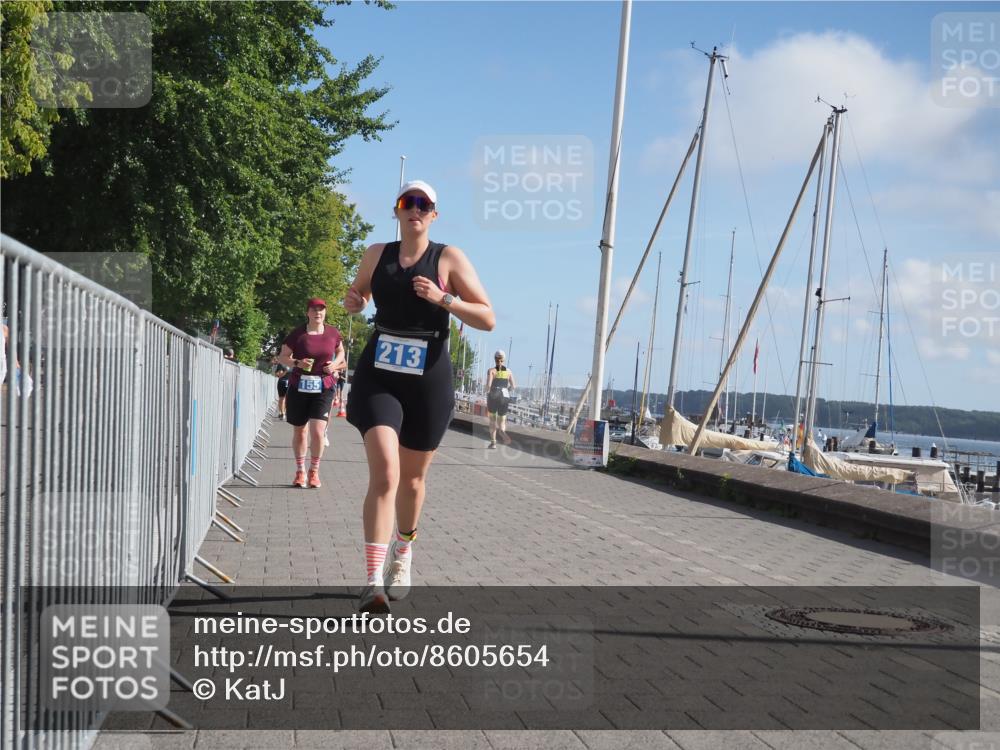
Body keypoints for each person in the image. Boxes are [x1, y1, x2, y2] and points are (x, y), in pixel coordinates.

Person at [344, 180, 494, 613]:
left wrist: (445, 298)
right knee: (386, 474)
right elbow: (357, 295)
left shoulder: (448, 257)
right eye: (407, 202)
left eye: (423, 204)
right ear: (396, 211)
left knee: (411, 480)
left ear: (434, 214)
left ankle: (403, 554)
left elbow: (487, 317)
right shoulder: (377, 254)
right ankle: (372, 578)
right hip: (380, 373)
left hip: (428, 376)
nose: (415, 209)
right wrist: (354, 301)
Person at [276, 298, 345, 488]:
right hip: (299, 386)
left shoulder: (333, 333)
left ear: (325, 312)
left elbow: (341, 355)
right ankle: (300, 471)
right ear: (307, 312)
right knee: (300, 430)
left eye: (321, 310)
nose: (318, 313)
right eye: (314, 310)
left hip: (324, 386)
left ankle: (314, 471)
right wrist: (297, 363)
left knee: (317, 431)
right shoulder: (298, 334)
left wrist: (335, 364)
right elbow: (282, 356)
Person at [486, 350, 515, 448]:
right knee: (502, 421)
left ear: (495, 359)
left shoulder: (491, 371)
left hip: (494, 395)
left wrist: (487, 392)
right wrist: (507, 390)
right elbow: (513, 386)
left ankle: (493, 442)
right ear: (504, 360)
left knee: (492, 420)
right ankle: (502, 431)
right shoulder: (509, 371)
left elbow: (488, 385)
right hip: (505, 395)